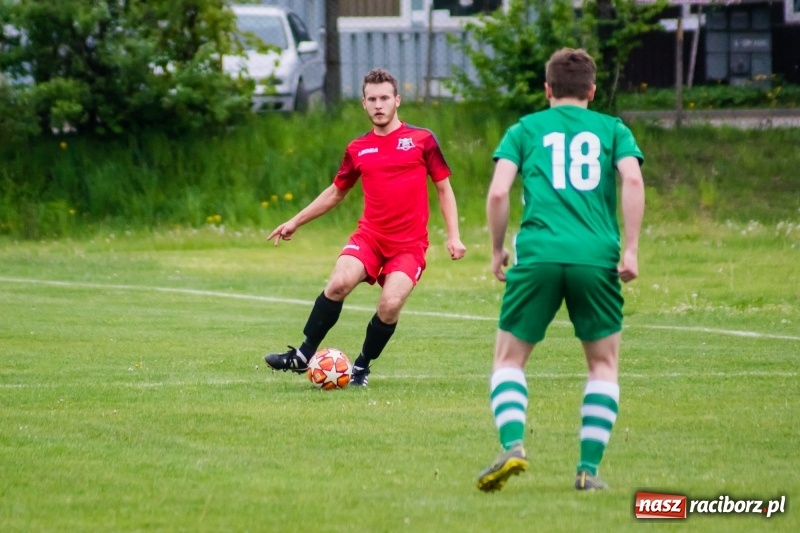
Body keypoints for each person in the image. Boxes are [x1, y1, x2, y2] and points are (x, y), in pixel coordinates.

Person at [476, 48, 645, 492]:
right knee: (603, 366)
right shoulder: (612, 129)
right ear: (591, 90)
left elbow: (497, 194)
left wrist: (496, 250)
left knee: (509, 359)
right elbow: (631, 179)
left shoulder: (525, 129)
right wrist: (630, 249)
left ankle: (513, 444)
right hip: (596, 256)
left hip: (538, 255)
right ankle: (588, 471)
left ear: (547, 89)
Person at [264, 68, 467, 386]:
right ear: (363, 103)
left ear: (397, 100)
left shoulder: (422, 140)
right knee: (339, 283)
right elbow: (334, 193)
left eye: (385, 98)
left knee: (390, 304)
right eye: (372, 99)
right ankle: (303, 356)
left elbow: (444, 188)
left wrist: (454, 237)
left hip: (409, 245)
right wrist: (294, 221)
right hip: (370, 238)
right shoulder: (358, 149)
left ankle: (360, 367)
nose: (379, 105)